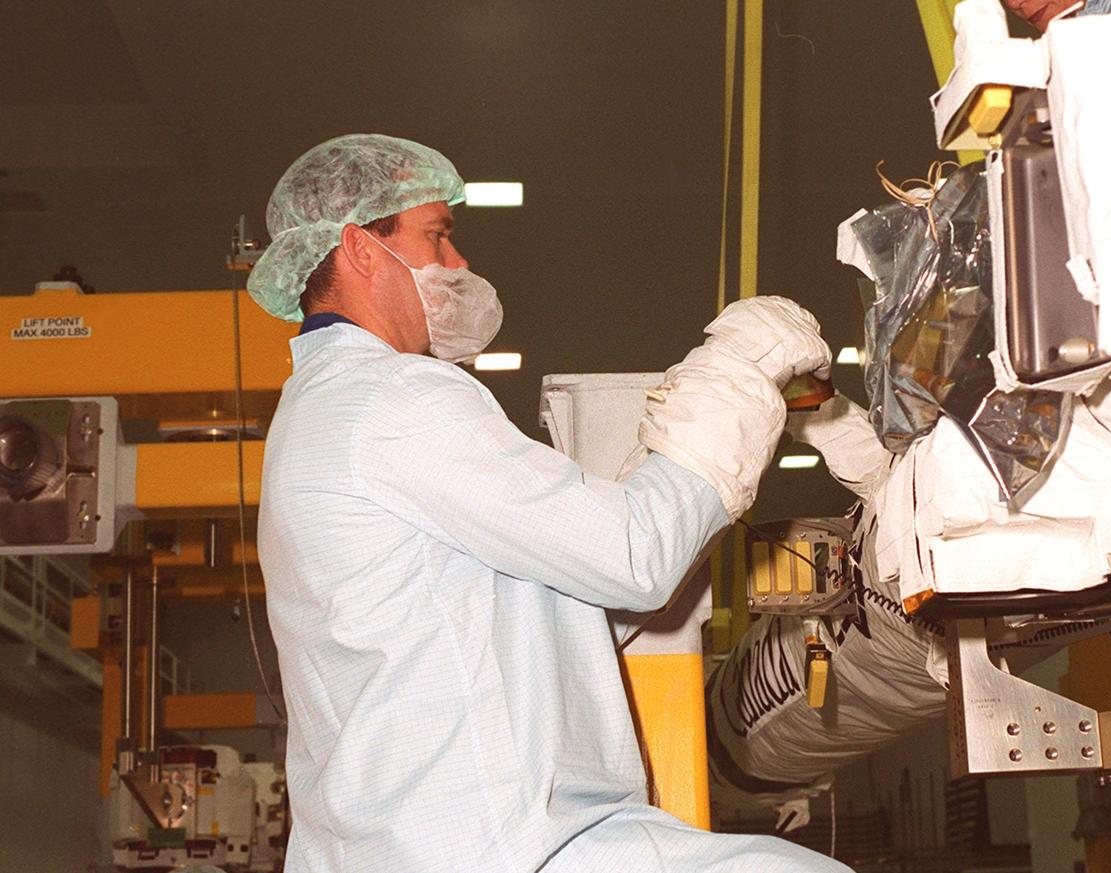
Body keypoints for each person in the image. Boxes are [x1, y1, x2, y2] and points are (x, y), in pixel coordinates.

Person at [247, 133, 851, 872]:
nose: (459, 264)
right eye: (438, 235)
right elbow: (634, 557)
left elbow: (530, 606)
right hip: (488, 846)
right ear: (362, 250)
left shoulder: (323, 412)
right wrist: (736, 373)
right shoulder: (393, 399)